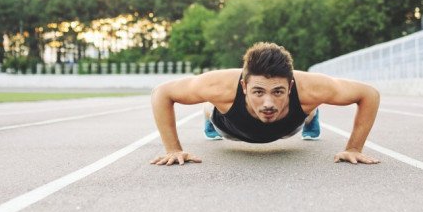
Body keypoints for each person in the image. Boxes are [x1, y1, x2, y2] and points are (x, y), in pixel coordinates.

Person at [150, 42, 380, 166]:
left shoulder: (310, 87)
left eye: (278, 91)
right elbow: (162, 93)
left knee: (308, 105)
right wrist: (173, 149)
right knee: (212, 106)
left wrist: (353, 148)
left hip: (288, 127)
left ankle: (311, 116)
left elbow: (369, 94)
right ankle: (209, 119)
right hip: (230, 128)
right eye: (258, 92)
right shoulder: (220, 85)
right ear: (244, 87)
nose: (268, 103)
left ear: (290, 86)